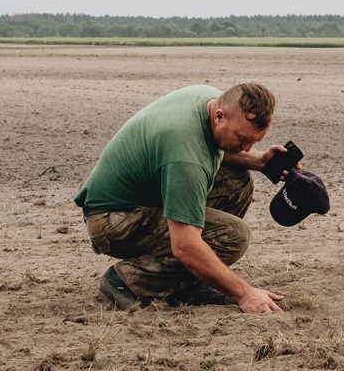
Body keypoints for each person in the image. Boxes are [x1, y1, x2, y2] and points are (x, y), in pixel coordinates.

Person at [75, 82, 292, 314]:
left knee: (236, 183)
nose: (247, 148)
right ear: (219, 116)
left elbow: (215, 147)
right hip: (113, 221)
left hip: (141, 196)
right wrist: (245, 293)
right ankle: (126, 279)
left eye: (253, 142)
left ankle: (184, 282)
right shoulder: (185, 157)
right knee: (233, 236)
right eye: (242, 139)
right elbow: (185, 246)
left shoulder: (209, 99)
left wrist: (261, 162)